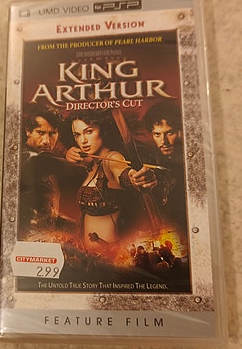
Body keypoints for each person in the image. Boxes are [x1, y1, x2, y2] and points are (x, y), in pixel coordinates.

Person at [63, 111, 157, 260]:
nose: (83, 140)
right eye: (77, 135)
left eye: (89, 132)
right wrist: (67, 153)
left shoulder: (112, 158)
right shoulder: (92, 162)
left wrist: (136, 178)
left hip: (109, 256)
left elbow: (123, 173)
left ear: (103, 130)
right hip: (88, 255)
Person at [19, 105, 85, 237]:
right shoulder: (29, 157)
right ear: (28, 131)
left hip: (45, 227)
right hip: (29, 233)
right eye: (40, 133)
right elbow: (80, 172)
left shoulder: (43, 158)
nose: (46, 141)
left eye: (52, 133)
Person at [143, 101, 187, 231]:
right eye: (157, 134)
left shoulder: (190, 160)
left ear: (181, 130)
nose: (163, 141)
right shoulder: (151, 159)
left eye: (170, 133)